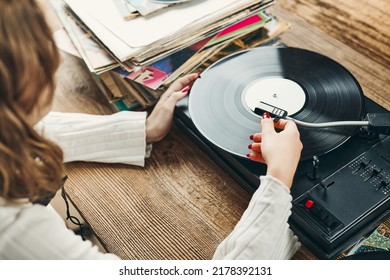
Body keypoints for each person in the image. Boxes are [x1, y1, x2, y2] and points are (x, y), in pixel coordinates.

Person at [0, 0, 302, 260]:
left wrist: (144, 129)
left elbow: (28, 131)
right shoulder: (15, 232)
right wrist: (278, 181)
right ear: (23, 76)